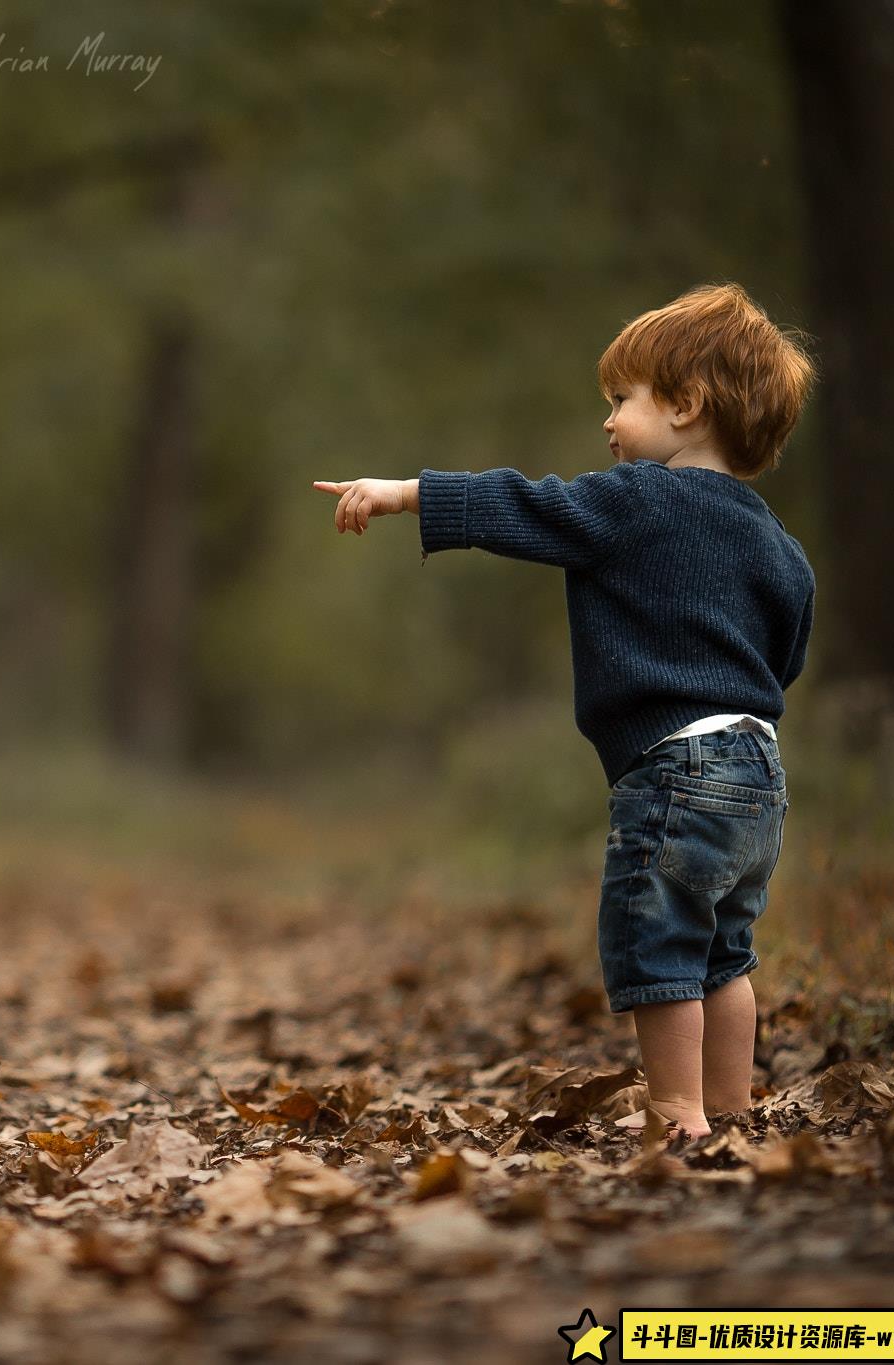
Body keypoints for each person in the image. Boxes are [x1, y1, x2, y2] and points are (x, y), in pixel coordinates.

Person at [313, 283, 817, 1139]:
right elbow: (788, 651)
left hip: (675, 767)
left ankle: (677, 1116)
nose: (610, 422)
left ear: (687, 405)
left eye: (624, 399)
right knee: (727, 953)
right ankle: (733, 1111)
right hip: (759, 772)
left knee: (657, 945)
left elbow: (525, 507)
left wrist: (404, 493)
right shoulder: (779, 543)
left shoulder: (634, 500)